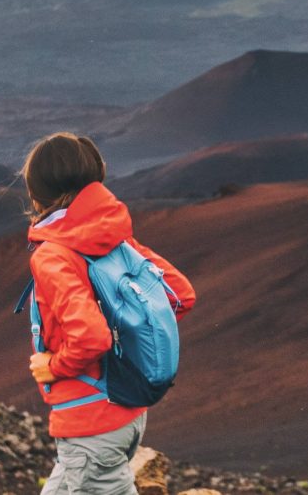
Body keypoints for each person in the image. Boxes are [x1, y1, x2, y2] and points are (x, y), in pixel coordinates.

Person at [21, 132, 196, 495]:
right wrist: (128, 334)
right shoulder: (112, 236)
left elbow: (91, 337)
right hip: (125, 413)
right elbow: (178, 294)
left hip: (90, 423)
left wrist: (52, 366)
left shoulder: (53, 255)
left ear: (37, 193)